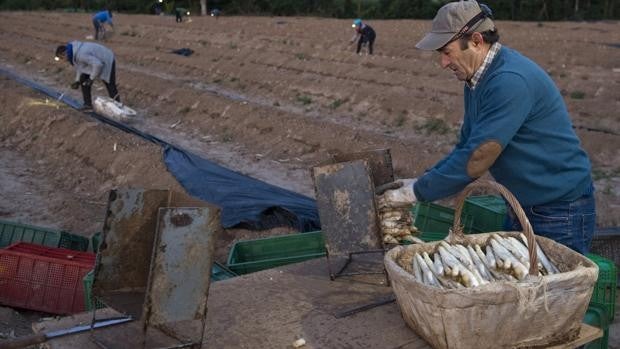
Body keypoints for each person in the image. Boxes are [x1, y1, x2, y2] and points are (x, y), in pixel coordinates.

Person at [378, 1, 595, 254]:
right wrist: (421, 181)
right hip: (520, 204)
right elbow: (467, 145)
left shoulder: (509, 81)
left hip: (558, 210)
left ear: (477, 41)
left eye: (447, 52)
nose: (443, 63)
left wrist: (416, 192)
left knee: (553, 290)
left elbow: (478, 157)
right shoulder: (477, 79)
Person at [54, 41, 120, 111]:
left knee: (110, 84)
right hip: (96, 60)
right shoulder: (74, 52)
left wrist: (91, 79)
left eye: (61, 58)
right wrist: (77, 81)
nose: (63, 60)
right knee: (83, 79)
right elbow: (81, 66)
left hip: (106, 59)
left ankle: (118, 108)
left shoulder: (81, 55)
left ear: (64, 54)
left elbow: (98, 65)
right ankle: (88, 105)